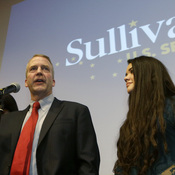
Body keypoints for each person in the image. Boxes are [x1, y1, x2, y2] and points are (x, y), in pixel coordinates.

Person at [0, 54, 100, 175]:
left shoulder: (76, 112)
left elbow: (89, 164)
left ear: (53, 81)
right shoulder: (7, 121)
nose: (39, 72)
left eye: (45, 68)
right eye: (33, 69)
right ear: (26, 82)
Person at [113, 55, 175, 175]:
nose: (125, 78)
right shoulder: (130, 123)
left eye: (131, 72)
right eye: (126, 74)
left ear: (147, 74)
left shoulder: (171, 105)